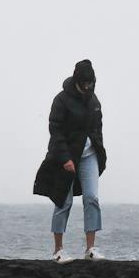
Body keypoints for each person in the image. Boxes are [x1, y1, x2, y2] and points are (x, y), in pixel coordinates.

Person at [33, 59, 106, 261]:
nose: (88, 87)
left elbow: (97, 129)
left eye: (91, 83)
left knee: (92, 198)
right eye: (85, 84)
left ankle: (90, 249)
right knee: (63, 202)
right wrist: (65, 158)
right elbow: (55, 131)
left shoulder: (94, 102)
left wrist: (99, 152)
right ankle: (58, 251)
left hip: (89, 156)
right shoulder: (61, 100)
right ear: (77, 81)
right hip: (64, 157)